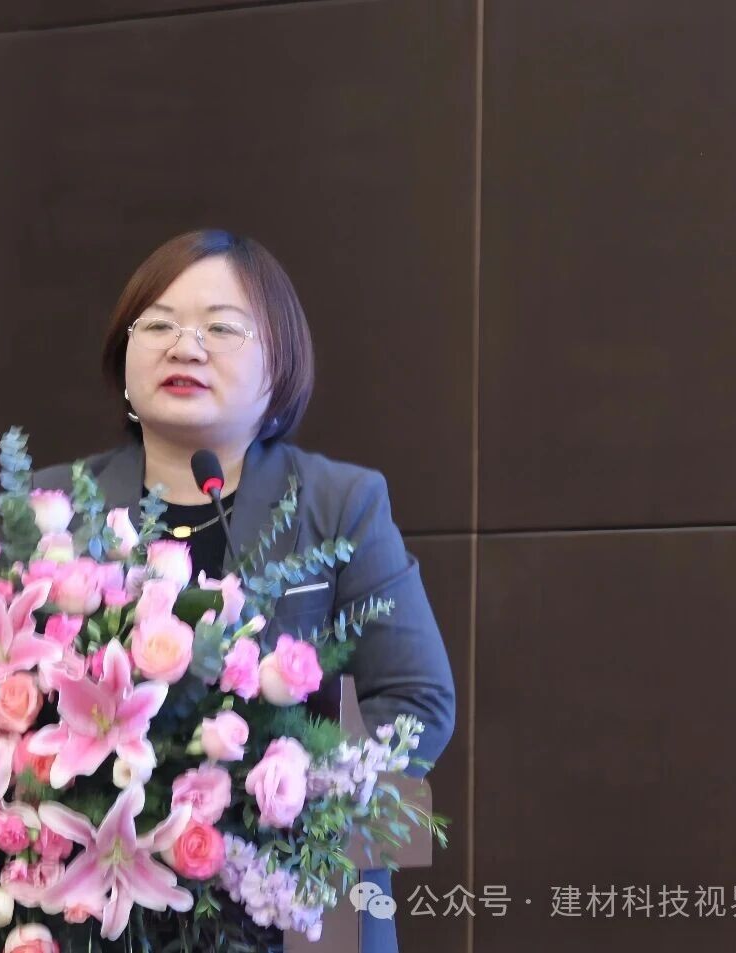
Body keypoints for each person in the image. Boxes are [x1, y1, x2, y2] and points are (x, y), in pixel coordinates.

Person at [32, 229, 456, 953]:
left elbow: (418, 699)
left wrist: (280, 796)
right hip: (92, 907)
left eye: (221, 328)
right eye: (157, 326)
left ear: (278, 365)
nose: (185, 347)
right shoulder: (52, 508)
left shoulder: (338, 503)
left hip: (281, 911)